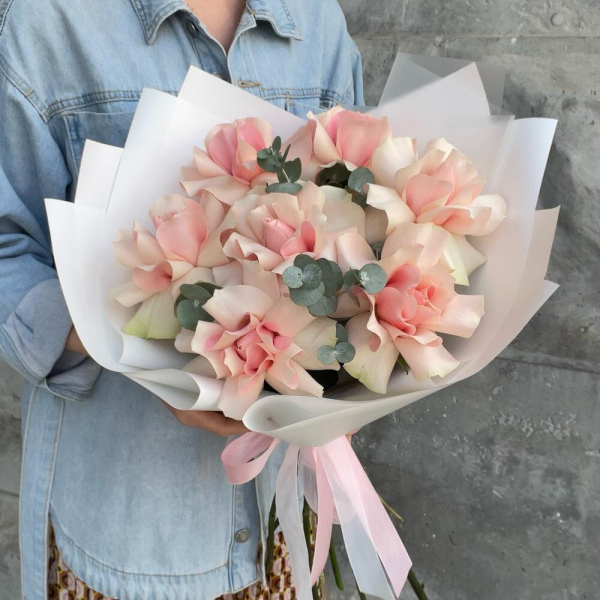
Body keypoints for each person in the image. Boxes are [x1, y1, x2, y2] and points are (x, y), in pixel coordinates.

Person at [0, 0, 363, 598]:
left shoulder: (316, 20)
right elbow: (7, 248)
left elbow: (357, 215)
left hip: (286, 523)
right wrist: (158, 355)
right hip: (131, 536)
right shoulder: (47, 21)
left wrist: (351, 376)